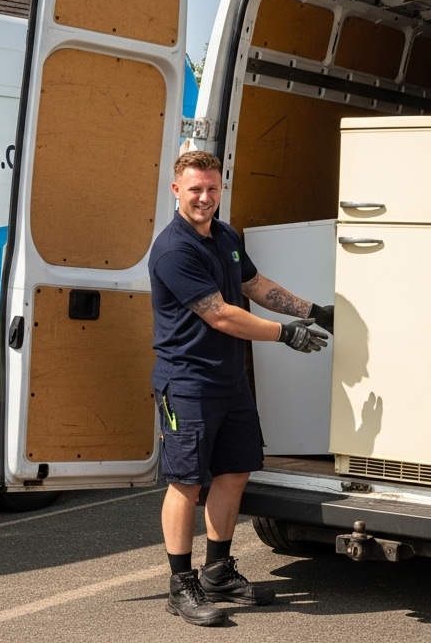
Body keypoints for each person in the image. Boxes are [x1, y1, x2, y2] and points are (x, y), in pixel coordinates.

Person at [149, 150, 333, 627]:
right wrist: (284, 333)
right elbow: (219, 313)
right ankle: (180, 584)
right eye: (195, 189)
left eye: (212, 189)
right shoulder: (174, 249)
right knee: (186, 484)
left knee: (234, 473)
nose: (205, 198)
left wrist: (310, 310)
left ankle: (217, 571)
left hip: (229, 381)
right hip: (188, 381)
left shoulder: (226, 235)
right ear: (176, 191)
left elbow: (252, 284)